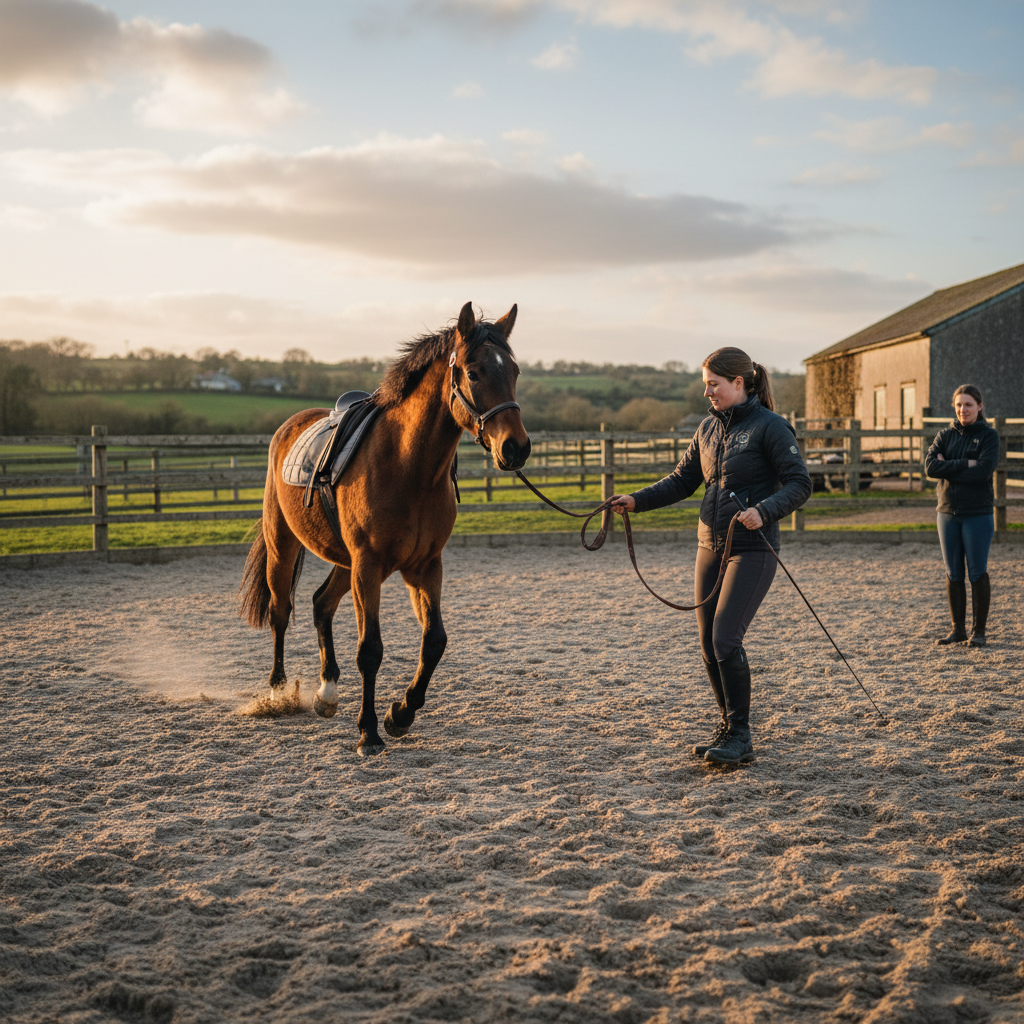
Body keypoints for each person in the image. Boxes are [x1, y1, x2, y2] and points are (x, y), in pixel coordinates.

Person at [609, 348, 811, 765]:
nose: (708, 392)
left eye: (714, 385)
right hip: (709, 545)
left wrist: (764, 510)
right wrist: (635, 501)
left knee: (725, 638)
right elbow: (682, 480)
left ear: (739, 383)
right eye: (706, 384)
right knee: (706, 644)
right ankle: (727, 725)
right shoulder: (707, 429)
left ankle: (741, 734)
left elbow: (800, 483)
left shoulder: (772, 428)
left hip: (753, 549)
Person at [925, 384, 999, 647]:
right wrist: (964, 463)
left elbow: (983, 471)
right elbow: (930, 467)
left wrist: (948, 467)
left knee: (977, 572)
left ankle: (978, 632)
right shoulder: (945, 434)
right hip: (946, 513)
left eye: (968, 404)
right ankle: (958, 629)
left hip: (976, 514)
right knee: (953, 572)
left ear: (979, 406)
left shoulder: (989, 436)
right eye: (958, 405)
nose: (962, 409)